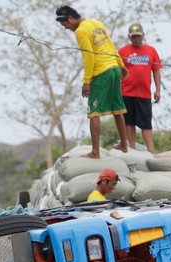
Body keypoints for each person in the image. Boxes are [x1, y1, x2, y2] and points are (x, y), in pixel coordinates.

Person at [56, 5, 129, 158]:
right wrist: (121, 64)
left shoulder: (81, 31)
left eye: (66, 25)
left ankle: (95, 152)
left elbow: (89, 57)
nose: (67, 28)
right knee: (118, 109)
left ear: (70, 19)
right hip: (114, 69)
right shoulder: (96, 23)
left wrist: (86, 81)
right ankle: (124, 144)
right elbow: (111, 44)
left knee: (94, 112)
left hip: (101, 72)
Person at [117, 23, 162, 153]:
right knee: (128, 122)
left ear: (143, 36)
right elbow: (117, 70)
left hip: (144, 93)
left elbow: (157, 70)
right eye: (133, 37)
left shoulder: (151, 51)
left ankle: (151, 148)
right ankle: (132, 147)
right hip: (126, 92)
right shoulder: (123, 51)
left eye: (138, 36)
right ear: (129, 37)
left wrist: (158, 89)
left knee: (146, 123)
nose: (136, 39)